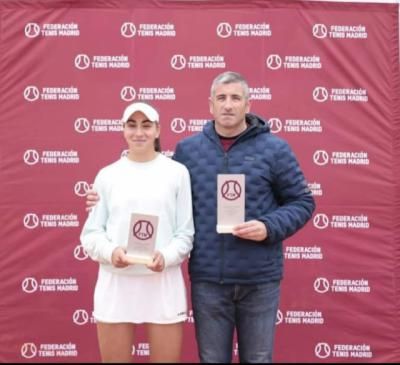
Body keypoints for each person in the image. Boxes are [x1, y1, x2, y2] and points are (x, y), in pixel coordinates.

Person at [86, 71, 315, 363]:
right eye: (221, 98)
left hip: (259, 278)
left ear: (248, 104)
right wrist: (99, 199)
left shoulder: (275, 149)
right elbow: (159, 196)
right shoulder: (188, 152)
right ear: (210, 105)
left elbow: (303, 201)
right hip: (209, 280)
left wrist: (268, 226)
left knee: (258, 359)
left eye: (235, 98)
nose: (228, 105)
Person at [80, 102, 194, 363]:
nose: (139, 132)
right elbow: (92, 233)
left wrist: (165, 257)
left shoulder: (177, 173)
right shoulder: (107, 176)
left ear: (157, 130)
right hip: (116, 284)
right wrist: (112, 252)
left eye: (146, 125)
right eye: (132, 125)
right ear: (123, 130)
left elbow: (185, 233)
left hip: (163, 284)